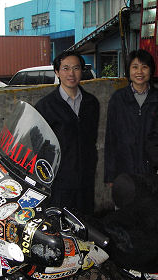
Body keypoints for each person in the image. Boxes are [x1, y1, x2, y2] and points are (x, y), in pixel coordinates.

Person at [35, 50, 100, 214]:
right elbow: (38, 145)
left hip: (85, 178)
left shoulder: (91, 103)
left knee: (85, 223)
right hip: (59, 181)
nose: (71, 73)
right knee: (60, 225)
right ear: (57, 72)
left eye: (76, 68)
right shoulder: (45, 106)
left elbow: (91, 139)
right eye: (65, 68)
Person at [104, 49, 158, 185]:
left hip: (152, 170)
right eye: (135, 67)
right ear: (128, 70)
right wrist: (110, 175)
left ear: (151, 70)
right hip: (124, 168)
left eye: (144, 67)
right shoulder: (118, 98)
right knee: (125, 205)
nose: (139, 72)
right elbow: (111, 138)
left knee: (152, 205)